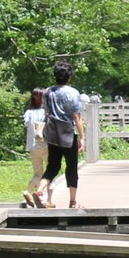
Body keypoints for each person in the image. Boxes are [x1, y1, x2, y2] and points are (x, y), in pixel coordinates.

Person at [40, 60, 87, 209]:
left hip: (52, 132)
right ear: (69, 76)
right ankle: (73, 201)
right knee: (71, 166)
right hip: (67, 133)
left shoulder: (47, 92)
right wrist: (82, 137)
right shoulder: (73, 93)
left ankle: (40, 190)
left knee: (52, 166)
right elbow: (76, 118)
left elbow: (46, 112)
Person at [20, 87, 49, 207]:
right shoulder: (46, 112)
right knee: (49, 173)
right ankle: (43, 197)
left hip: (32, 146)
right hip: (46, 144)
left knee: (37, 173)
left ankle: (28, 191)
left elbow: (27, 125)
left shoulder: (28, 113)